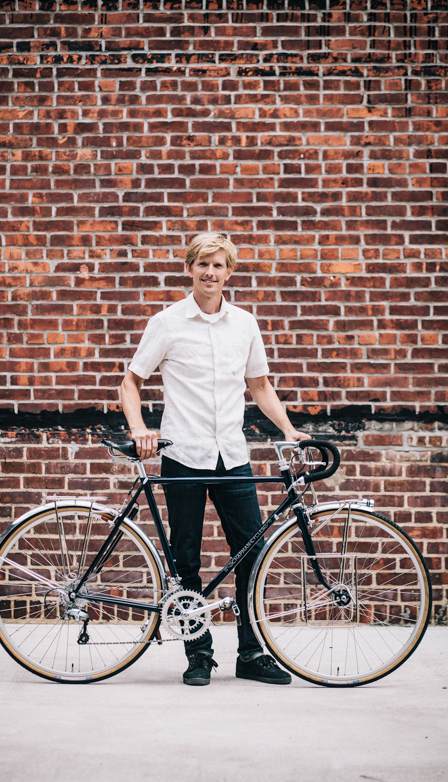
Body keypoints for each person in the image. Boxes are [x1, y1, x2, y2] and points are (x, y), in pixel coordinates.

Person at [121, 232, 310, 686]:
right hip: (183, 455)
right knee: (186, 557)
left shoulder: (244, 323)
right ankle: (198, 655)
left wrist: (287, 429)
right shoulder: (167, 322)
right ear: (190, 268)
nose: (210, 272)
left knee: (252, 553)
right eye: (202, 264)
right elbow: (130, 383)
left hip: (232, 454)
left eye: (219, 265)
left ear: (230, 271)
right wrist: (140, 429)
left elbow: (260, 386)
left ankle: (252, 653)